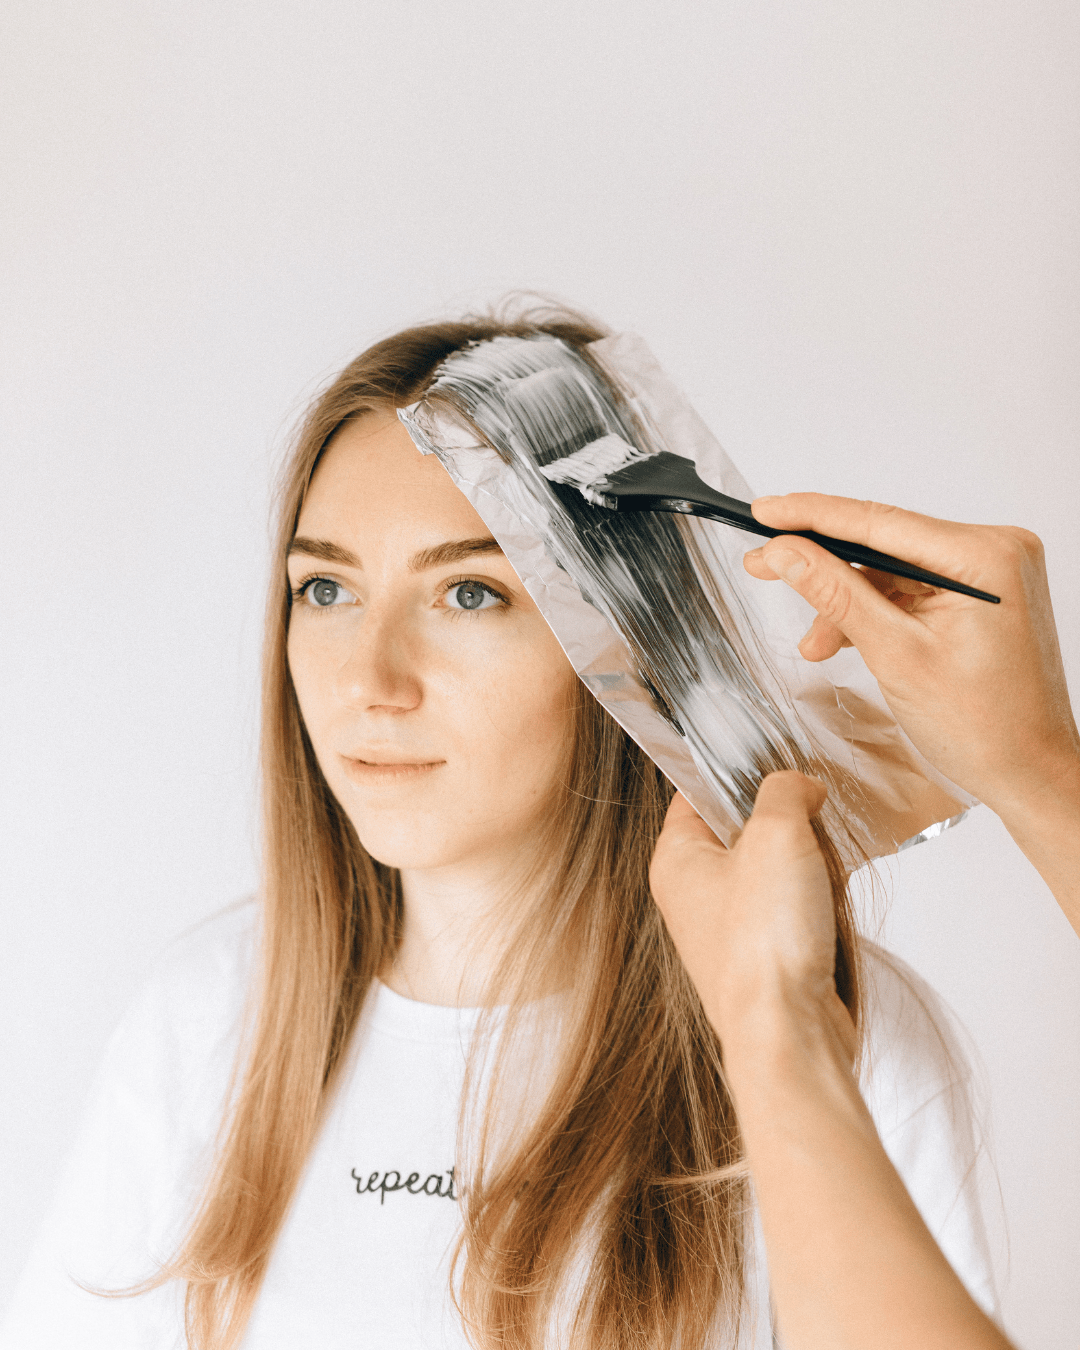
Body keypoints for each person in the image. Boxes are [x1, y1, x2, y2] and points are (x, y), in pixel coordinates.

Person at [1, 312, 1019, 1350]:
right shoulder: (208, 1015)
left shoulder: (840, 1032)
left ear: (624, 639)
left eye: (469, 593)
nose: (369, 680)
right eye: (327, 588)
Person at [652, 495, 1080, 1350]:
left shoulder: (882, 1039)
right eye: (349, 591)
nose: (379, 687)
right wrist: (1043, 774)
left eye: (472, 594)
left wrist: (776, 1016)